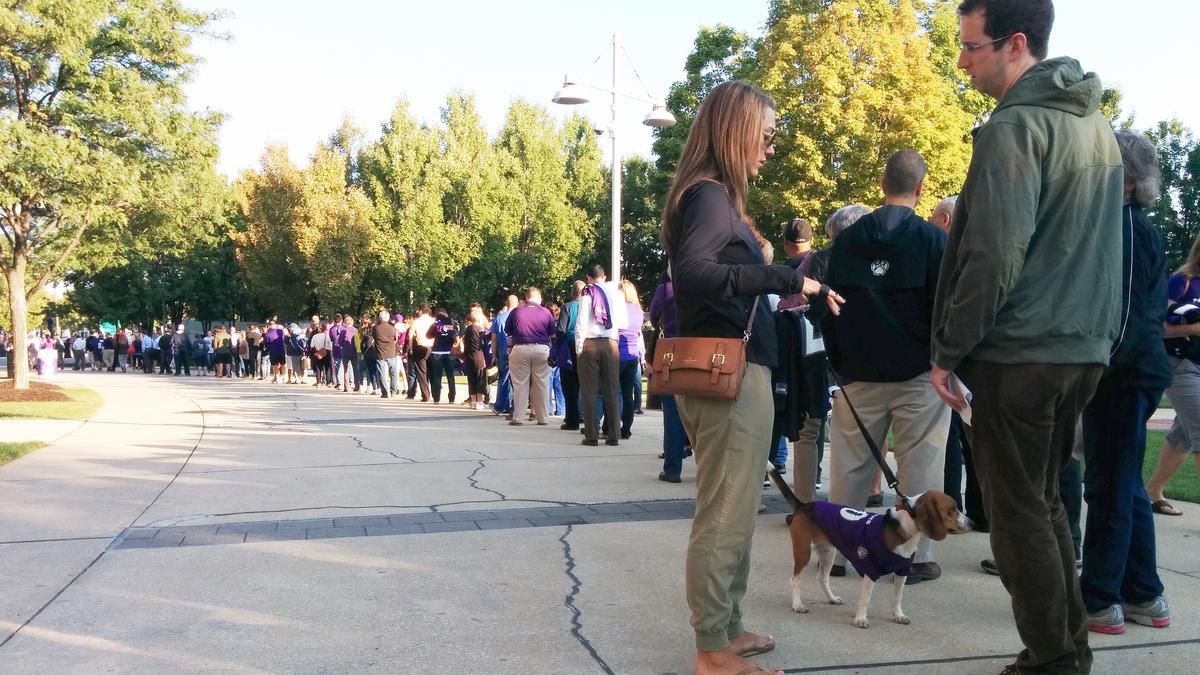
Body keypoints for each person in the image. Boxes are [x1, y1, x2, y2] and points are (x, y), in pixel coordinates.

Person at [930, 2, 1124, 672]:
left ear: (1015, 44)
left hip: (1019, 351)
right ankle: (1065, 648)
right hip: (1081, 348)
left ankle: (1054, 660)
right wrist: (1104, 335)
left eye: (970, 47)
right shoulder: (1097, 127)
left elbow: (992, 254)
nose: (961, 61)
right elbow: (1112, 251)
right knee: (1044, 504)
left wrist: (948, 350)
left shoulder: (1015, 127)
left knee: (1015, 520)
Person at [661, 79, 840, 675]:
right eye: (763, 137)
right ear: (735, 132)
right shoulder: (710, 196)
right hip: (728, 379)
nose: (768, 149)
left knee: (733, 509)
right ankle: (711, 649)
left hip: (736, 374)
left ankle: (726, 628)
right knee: (725, 511)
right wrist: (789, 278)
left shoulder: (712, 197)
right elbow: (695, 274)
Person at [821, 149, 949, 584]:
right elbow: (946, 307)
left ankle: (841, 553)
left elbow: (829, 305)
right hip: (918, 372)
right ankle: (913, 557)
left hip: (859, 372)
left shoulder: (848, 240)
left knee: (850, 467)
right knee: (920, 464)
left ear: (881, 184)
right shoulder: (934, 241)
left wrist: (839, 363)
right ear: (920, 188)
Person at [1148, 231, 1200, 517]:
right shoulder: (1183, 282)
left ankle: (1153, 491)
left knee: (1183, 434)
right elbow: (1161, 328)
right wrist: (1194, 329)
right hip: (1182, 366)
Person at [574, 265, 628, 447]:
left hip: (590, 343)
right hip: (611, 343)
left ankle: (591, 435)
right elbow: (624, 323)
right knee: (612, 390)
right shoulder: (618, 295)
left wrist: (579, 349)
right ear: (604, 277)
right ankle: (613, 435)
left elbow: (581, 323)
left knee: (589, 391)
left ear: (589, 278)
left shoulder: (588, 293)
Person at [505, 287, 556, 426]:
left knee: (520, 384)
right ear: (539, 298)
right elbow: (552, 333)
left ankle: (518, 417)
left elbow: (508, 331)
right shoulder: (546, 312)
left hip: (520, 348)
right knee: (541, 384)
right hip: (541, 349)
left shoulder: (517, 311)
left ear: (527, 297)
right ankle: (542, 418)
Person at [617, 279, 646, 440]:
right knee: (628, 395)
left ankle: (609, 426)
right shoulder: (639, 311)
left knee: (613, 392)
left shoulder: (618, 309)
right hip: (633, 355)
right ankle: (626, 429)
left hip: (618, 353)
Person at [557, 282, 585, 430]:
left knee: (569, 386)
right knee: (586, 385)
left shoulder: (567, 307)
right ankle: (585, 416)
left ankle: (572, 420)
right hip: (587, 347)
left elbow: (561, 330)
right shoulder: (590, 307)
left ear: (573, 292)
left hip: (569, 347)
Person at [490, 295, 519, 415]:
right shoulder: (519, 315)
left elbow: (494, 338)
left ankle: (501, 405)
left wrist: (494, 354)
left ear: (506, 303)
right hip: (516, 350)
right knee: (516, 379)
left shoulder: (500, 317)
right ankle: (512, 405)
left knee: (504, 377)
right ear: (517, 303)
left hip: (503, 351)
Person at [427, 307, 458, 404]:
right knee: (450, 375)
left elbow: (428, 335)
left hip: (437, 352)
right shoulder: (452, 322)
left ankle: (436, 398)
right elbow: (456, 335)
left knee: (437, 376)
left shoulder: (435, 323)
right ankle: (452, 398)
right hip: (449, 352)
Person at [462, 306, 490, 410]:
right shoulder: (480, 330)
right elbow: (485, 343)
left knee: (472, 379)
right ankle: (479, 401)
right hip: (478, 356)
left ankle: (473, 401)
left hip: (468, 356)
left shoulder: (468, 329)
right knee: (480, 379)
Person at [407, 305, 435, 401]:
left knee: (421, 373)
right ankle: (436, 394)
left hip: (420, 347)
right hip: (432, 347)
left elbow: (410, 337)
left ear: (421, 311)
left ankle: (426, 395)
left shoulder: (416, 322)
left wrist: (410, 349)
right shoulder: (434, 321)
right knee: (433, 372)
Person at [372, 310, 402, 399]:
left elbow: (374, 337)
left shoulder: (375, 328)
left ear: (380, 318)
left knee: (381, 373)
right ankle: (393, 391)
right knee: (393, 372)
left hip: (380, 352)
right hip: (391, 352)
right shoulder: (392, 328)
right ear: (388, 318)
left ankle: (384, 392)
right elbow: (395, 339)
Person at [262, 320, 287, 384]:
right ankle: (284, 377)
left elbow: (265, 342)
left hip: (273, 350)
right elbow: (284, 339)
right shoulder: (281, 331)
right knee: (283, 364)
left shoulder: (268, 332)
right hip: (281, 349)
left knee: (275, 365)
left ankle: (277, 378)